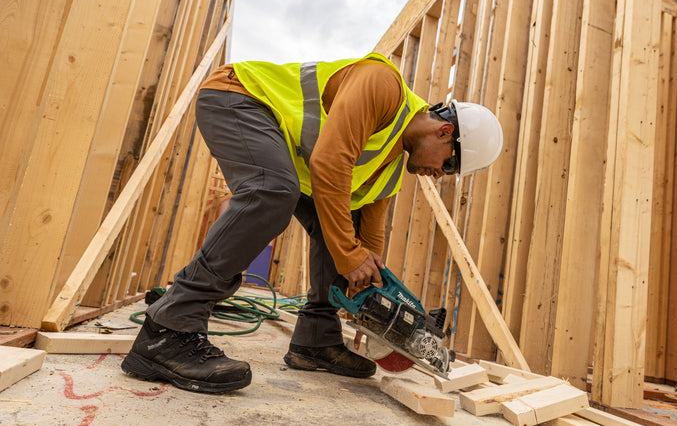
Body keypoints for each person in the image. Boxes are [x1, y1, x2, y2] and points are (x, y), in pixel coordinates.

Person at [121, 52, 503, 394]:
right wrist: (349, 256)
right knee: (272, 191)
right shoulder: (383, 84)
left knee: (340, 229)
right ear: (445, 132)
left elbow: (367, 240)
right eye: (449, 165)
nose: (439, 175)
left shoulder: (390, 166)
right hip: (241, 97)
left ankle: (316, 339)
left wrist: (373, 295)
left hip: (287, 150)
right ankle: (170, 328)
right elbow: (329, 163)